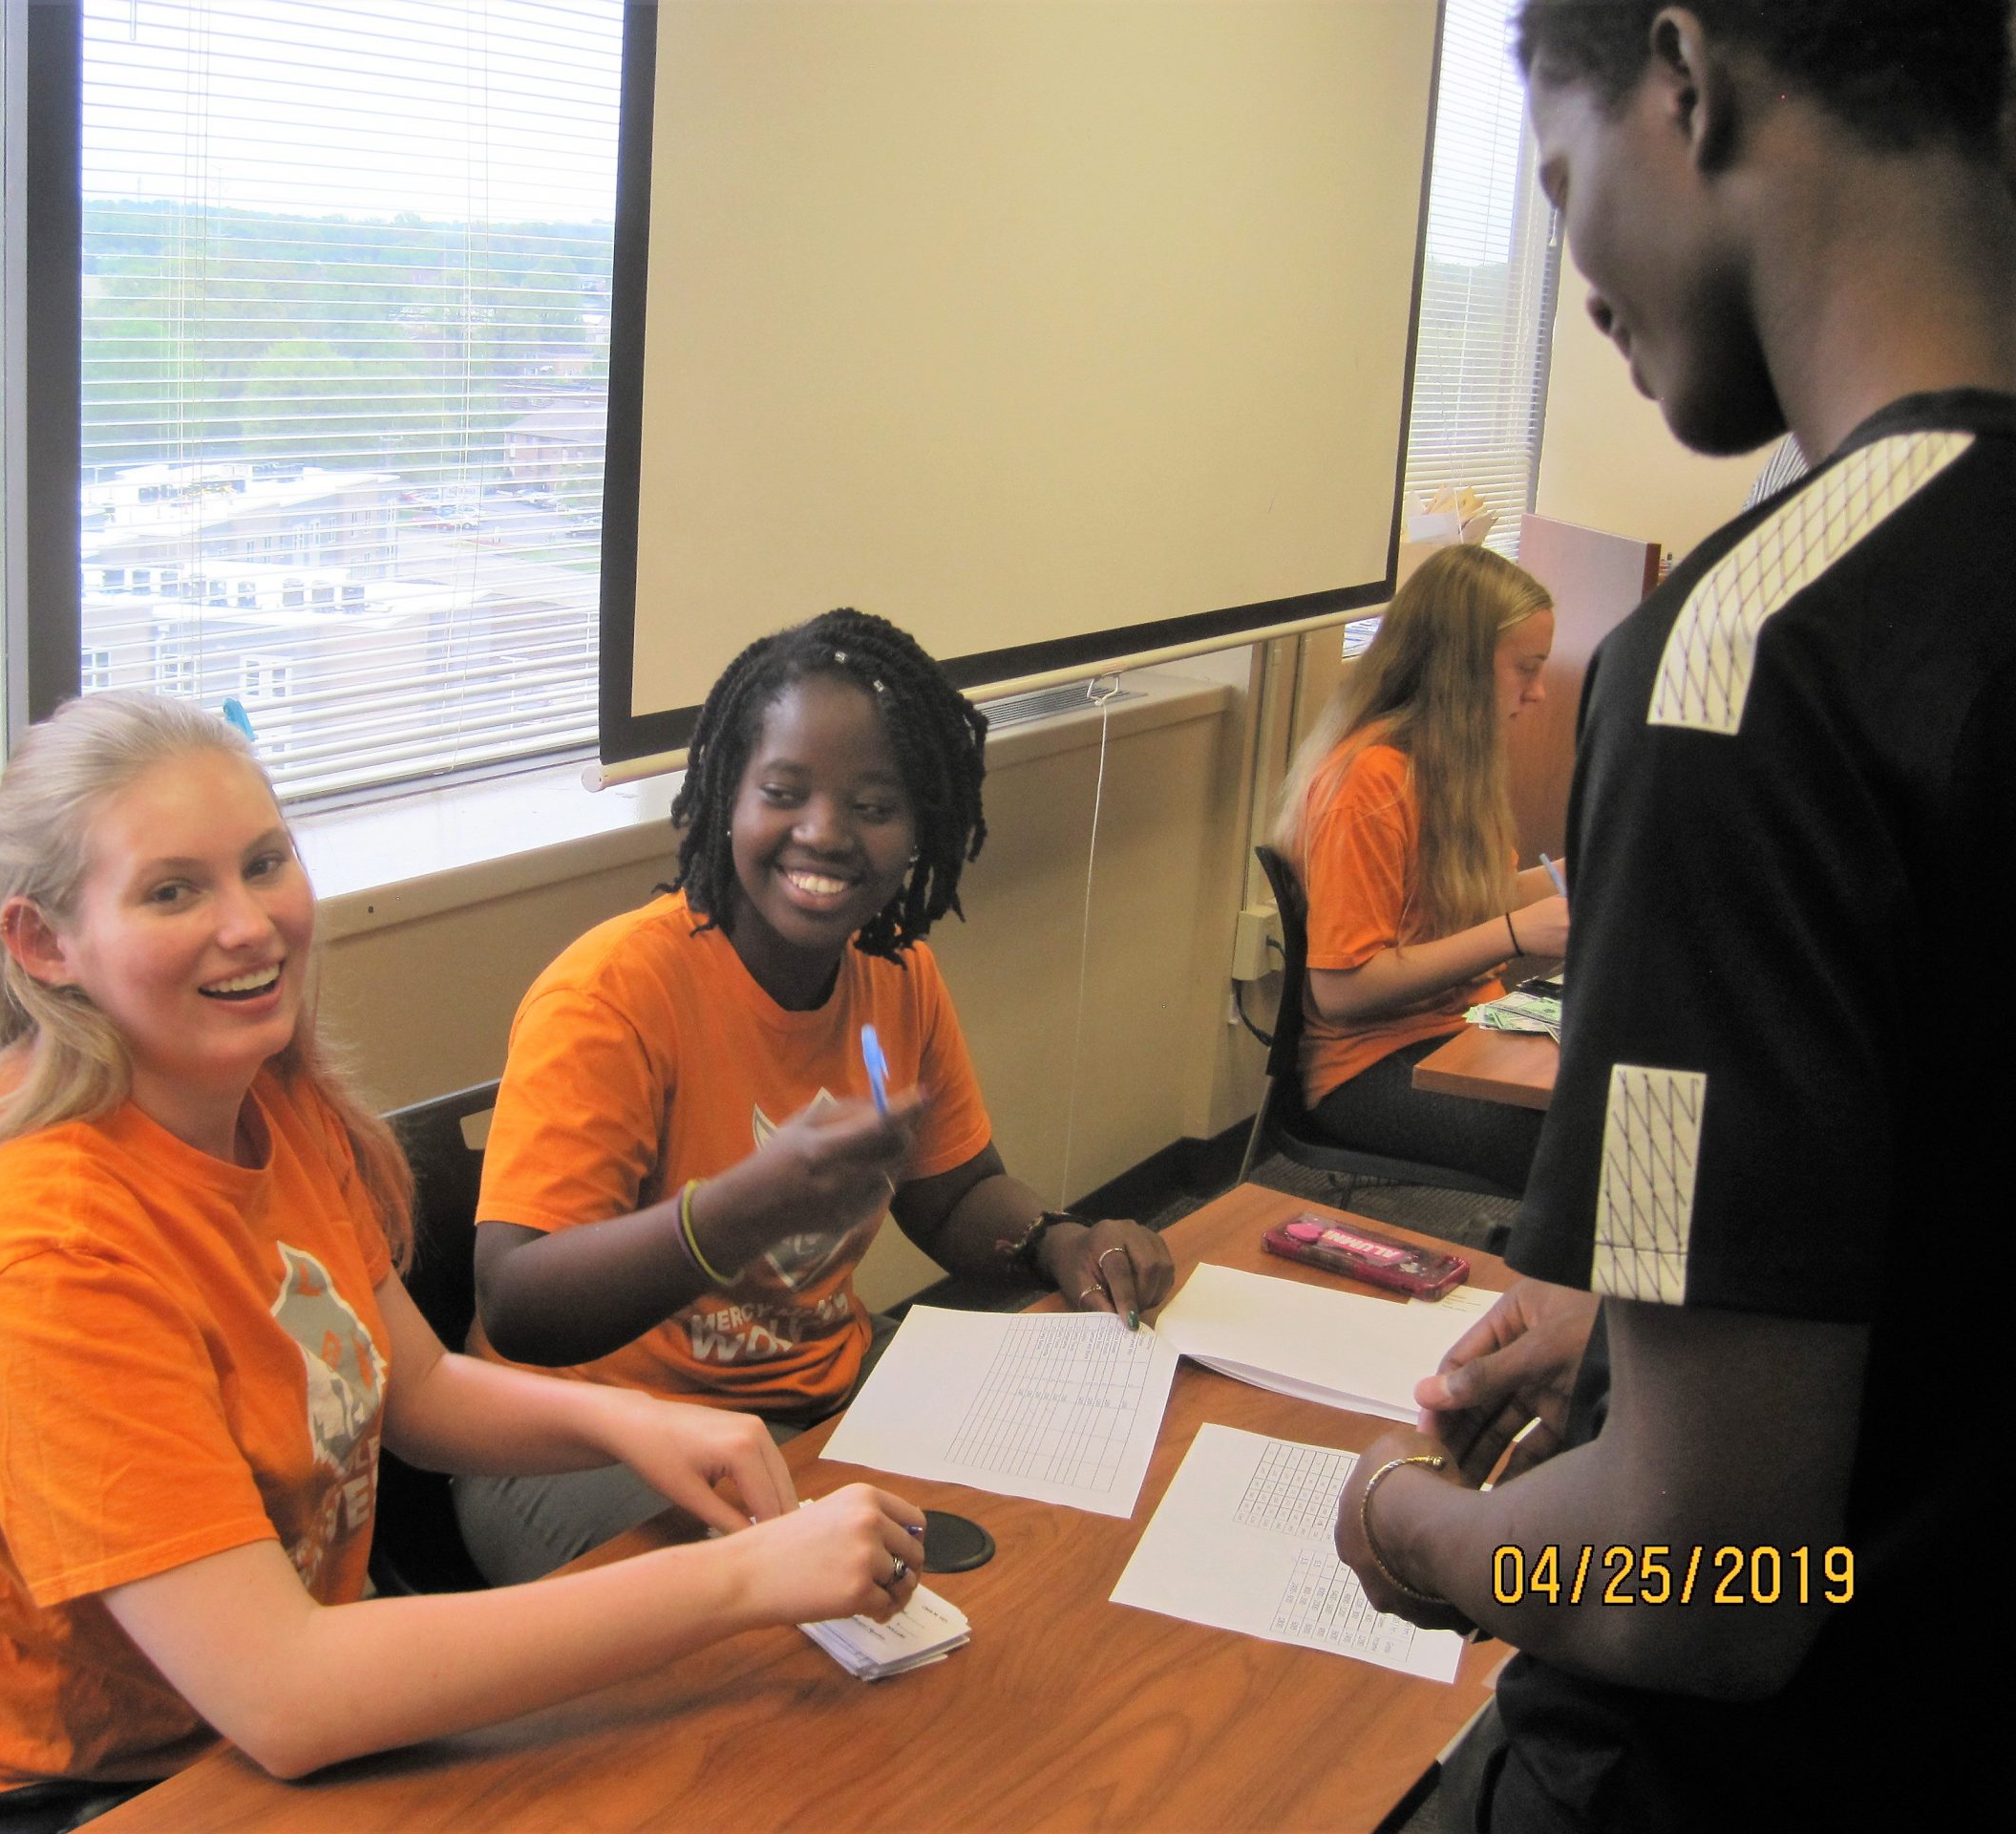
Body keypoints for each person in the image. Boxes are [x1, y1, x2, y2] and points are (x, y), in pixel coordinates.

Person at [1329, 3, 2016, 1827]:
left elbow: (1706, 1576)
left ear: (1685, 83)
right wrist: (1629, 1333)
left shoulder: (1741, 657)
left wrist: (1413, 1530)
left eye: (1560, 185)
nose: (1579, 279)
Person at [0, 693, 929, 1833]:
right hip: (68, 1793)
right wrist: (748, 1580)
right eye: (174, 890)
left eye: (265, 865)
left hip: (255, 1731)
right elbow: (288, 1692)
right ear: (43, 943)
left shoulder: (269, 1097)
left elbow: (411, 1390)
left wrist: (635, 1425)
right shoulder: (44, 1244)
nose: (250, 925)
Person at [455, 608, 1178, 1584]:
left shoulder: (895, 974)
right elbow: (520, 1303)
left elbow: (955, 1195)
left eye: (873, 805)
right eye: (783, 793)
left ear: (922, 825)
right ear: (724, 798)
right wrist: (748, 1205)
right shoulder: (613, 994)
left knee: (1055, 1538)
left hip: (816, 1388)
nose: (824, 834)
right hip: (590, 1442)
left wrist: (1059, 1240)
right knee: (784, 1634)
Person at [1268, 543, 1570, 1192]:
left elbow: (1464, 903)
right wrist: (1519, 934)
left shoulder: (1455, 766)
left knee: (1624, 1094)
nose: (1539, 692)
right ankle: (1553, 1292)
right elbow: (1344, 989)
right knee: (1573, 1141)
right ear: (1460, 668)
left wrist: (1573, 877)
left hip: (1461, 1028)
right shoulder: (1370, 782)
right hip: (1370, 1069)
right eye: (1526, 669)